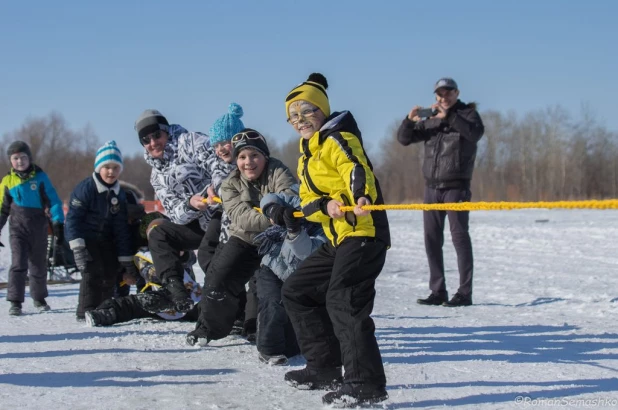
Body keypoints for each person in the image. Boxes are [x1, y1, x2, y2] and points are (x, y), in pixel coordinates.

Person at [281, 73, 391, 407]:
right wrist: (324, 206)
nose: (301, 121)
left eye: (308, 112)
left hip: (363, 231)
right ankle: (324, 367)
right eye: (293, 116)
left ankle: (364, 385)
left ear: (323, 111)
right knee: (297, 290)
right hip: (338, 237)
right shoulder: (306, 157)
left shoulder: (338, 138)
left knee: (343, 300)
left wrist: (358, 196)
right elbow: (307, 202)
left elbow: (356, 169)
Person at [186, 128, 298, 347]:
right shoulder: (230, 184)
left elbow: (290, 196)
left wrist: (279, 214)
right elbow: (241, 217)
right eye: (242, 157)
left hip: (278, 240)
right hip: (245, 237)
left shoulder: (278, 170)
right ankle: (208, 327)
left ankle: (258, 328)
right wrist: (273, 215)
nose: (249, 162)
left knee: (265, 285)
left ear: (264, 156)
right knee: (218, 275)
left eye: (254, 155)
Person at [396, 77, 484, 307]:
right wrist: (409, 120)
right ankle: (438, 291)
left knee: (459, 238)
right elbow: (404, 139)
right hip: (431, 188)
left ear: (457, 93)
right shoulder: (431, 119)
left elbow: (476, 134)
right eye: (440, 94)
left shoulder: (467, 114)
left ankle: (464, 293)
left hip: (456, 187)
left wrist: (450, 117)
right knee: (431, 240)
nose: (443, 98)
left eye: (448, 93)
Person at [134, 109, 231, 312]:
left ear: (166, 131)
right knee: (159, 232)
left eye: (156, 135)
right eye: (146, 140)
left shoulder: (190, 142)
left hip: (221, 213)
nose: (153, 143)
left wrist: (215, 188)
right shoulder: (156, 176)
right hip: (195, 220)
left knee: (208, 256)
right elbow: (173, 211)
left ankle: (232, 308)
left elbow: (220, 162)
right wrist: (190, 204)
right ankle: (175, 290)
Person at [65, 141, 140, 320]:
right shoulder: (86, 188)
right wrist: (77, 247)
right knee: (92, 272)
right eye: (106, 167)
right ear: (99, 167)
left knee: (110, 271)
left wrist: (125, 257)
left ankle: (102, 310)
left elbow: (121, 227)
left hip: (106, 240)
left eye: (115, 167)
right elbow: (73, 219)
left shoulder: (119, 193)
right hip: (86, 239)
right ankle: (85, 312)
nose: (111, 172)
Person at [85, 218, 201, 327]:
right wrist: (168, 269)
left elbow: (191, 259)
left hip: (189, 295)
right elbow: (150, 273)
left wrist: (181, 255)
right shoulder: (144, 255)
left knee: (210, 301)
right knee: (134, 304)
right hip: (159, 296)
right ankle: (104, 314)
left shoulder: (183, 251)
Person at [254, 192, 327, 365]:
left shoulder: (329, 221)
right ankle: (268, 350)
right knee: (273, 302)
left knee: (295, 317)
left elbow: (307, 252)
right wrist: (272, 209)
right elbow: (269, 197)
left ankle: (294, 345)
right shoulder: (298, 195)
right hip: (272, 266)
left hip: (301, 275)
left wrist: (294, 230)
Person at [0, 141, 64, 315]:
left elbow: (54, 201)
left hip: (38, 228)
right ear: (10, 161)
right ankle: (15, 302)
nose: (19, 161)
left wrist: (58, 223)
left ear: (29, 158)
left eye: (23, 157)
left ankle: (39, 298)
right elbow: (2, 208)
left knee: (38, 265)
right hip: (17, 229)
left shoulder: (40, 178)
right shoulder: (7, 181)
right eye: (15, 158)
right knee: (18, 264)